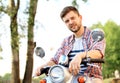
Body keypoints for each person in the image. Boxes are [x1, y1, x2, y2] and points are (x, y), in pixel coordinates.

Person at [35, 6, 106, 83]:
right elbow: (55, 60)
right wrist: (43, 66)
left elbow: (98, 52)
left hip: (90, 77)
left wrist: (79, 56)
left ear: (80, 17)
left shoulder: (94, 35)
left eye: (73, 18)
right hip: (68, 78)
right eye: (67, 21)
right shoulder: (66, 41)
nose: (70, 22)